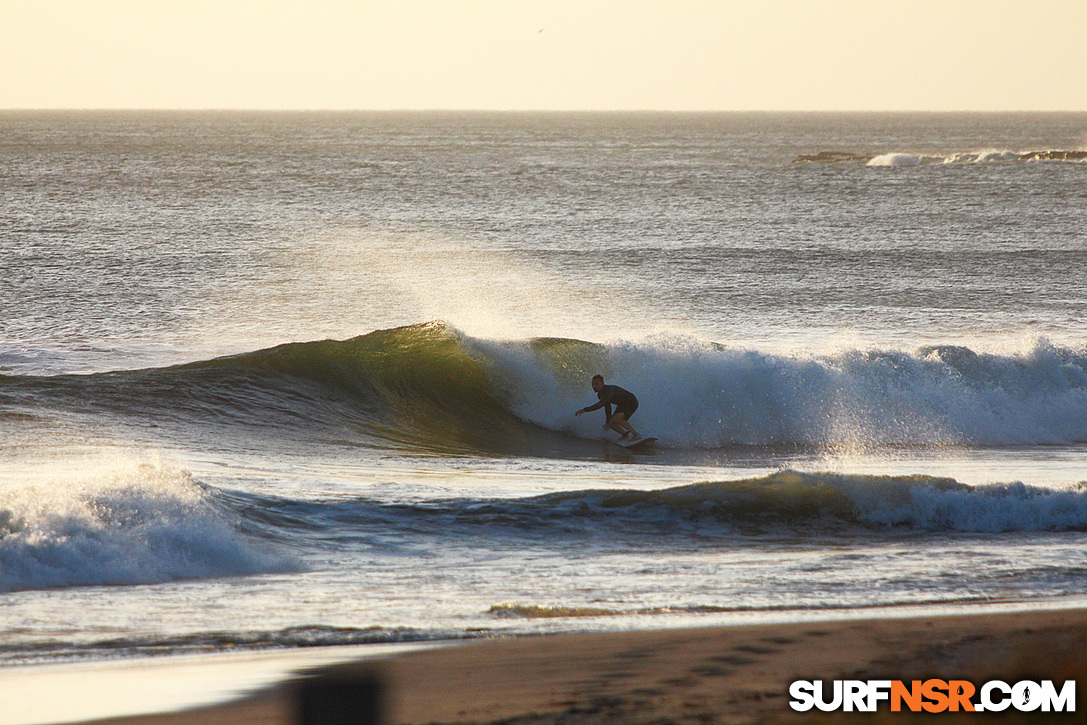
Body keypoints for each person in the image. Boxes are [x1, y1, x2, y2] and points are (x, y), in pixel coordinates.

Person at [575, 374, 641, 440]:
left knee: (616, 418)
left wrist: (584, 410)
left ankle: (636, 434)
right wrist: (607, 421)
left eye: (596, 384)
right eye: (593, 384)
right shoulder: (600, 394)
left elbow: (600, 404)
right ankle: (625, 435)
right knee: (611, 422)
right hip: (622, 405)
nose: (594, 386)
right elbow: (607, 407)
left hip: (631, 402)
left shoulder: (608, 390)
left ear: (602, 383)